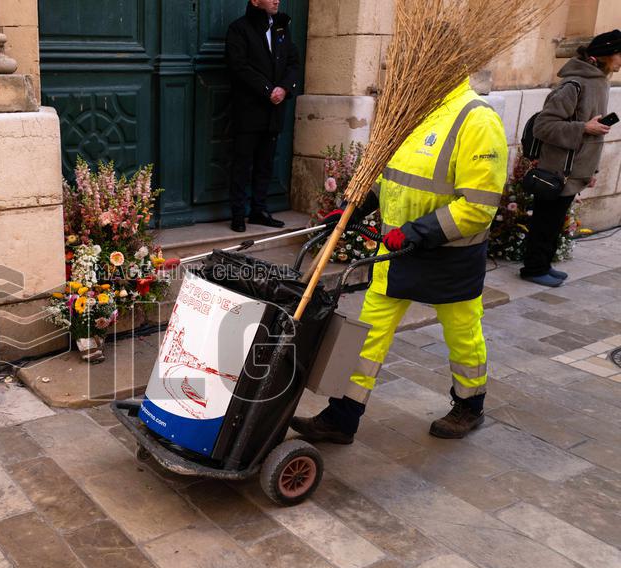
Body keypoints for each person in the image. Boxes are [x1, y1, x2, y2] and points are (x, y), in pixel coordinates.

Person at [291, 76, 508, 443]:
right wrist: (351, 210)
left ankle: (470, 406)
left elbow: (478, 207)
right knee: (367, 339)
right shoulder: (413, 112)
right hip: (395, 255)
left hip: (450, 258)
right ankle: (342, 418)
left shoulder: (478, 119)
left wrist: (415, 233)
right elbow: (386, 179)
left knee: (463, 337)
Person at [520, 29, 621, 287]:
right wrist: (583, 128)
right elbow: (543, 126)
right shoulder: (574, 85)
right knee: (545, 222)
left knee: (554, 223)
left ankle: (543, 264)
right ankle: (533, 268)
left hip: (573, 170)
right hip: (557, 171)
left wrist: (592, 172)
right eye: (620, 55)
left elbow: (593, 135)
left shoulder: (599, 81)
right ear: (605, 56)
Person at [225, 0, 302, 233]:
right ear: (255, 1)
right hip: (249, 109)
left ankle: (259, 210)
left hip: (274, 110)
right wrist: (268, 90)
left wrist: (285, 88)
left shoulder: (281, 27)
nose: (276, 0)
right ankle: (238, 214)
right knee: (242, 164)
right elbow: (238, 66)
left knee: (265, 164)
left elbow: (293, 63)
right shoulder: (239, 28)